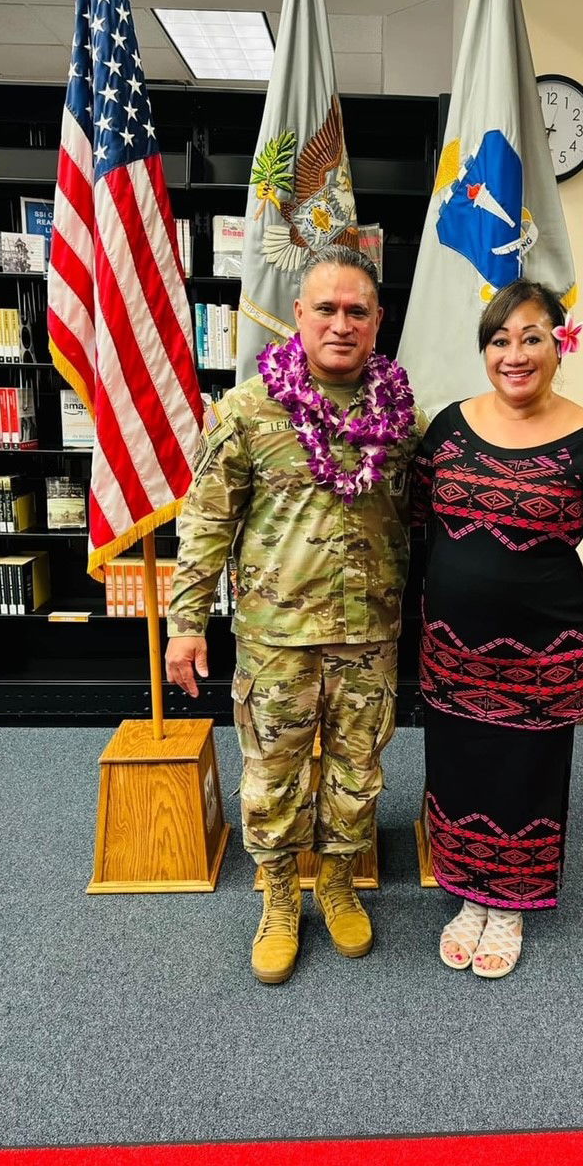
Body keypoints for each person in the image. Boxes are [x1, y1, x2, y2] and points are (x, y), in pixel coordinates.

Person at [166, 246, 426, 985]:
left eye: (356, 310)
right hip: (277, 643)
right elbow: (207, 522)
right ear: (299, 316)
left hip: (369, 639)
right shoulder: (247, 412)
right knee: (272, 780)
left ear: (378, 321)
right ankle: (280, 897)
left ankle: (339, 884)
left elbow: (428, 519)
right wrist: (186, 623)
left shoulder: (403, 417)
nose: (340, 323)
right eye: (326, 308)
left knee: (356, 775)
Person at [413, 280, 583, 979]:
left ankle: (508, 905)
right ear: (485, 350)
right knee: (458, 769)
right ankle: (467, 897)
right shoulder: (449, 427)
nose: (515, 354)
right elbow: (416, 526)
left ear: (557, 344)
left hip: (546, 653)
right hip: (451, 649)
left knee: (524, 776)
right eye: (500, 340)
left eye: (531, 337)